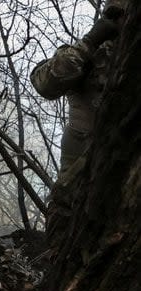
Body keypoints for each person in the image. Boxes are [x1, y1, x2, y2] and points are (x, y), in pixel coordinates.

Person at [31, 0, 126, 179]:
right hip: (80, 182)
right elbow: (45, 83)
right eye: (116, 14)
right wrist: (90, 42)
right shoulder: (89, 54)